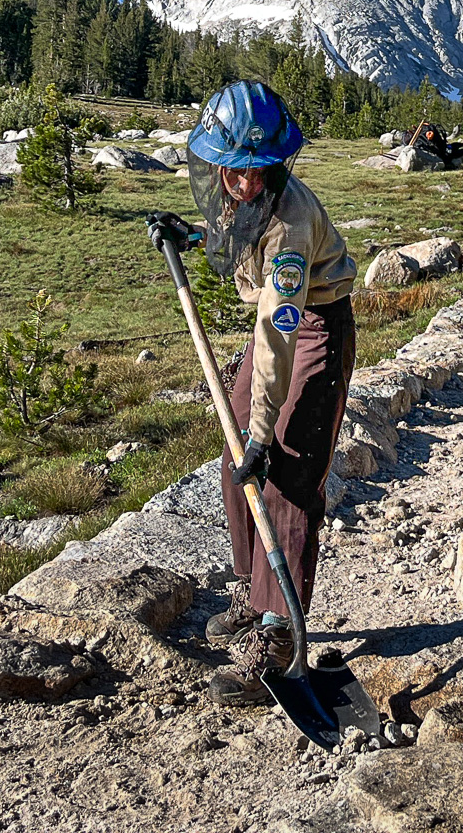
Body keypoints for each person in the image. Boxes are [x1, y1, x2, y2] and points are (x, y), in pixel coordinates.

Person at [184, 81, 357, 706]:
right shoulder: (241, 193)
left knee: (283, 468)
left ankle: (280, 637)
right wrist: (190, 236)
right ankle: (249, 592)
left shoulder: (293, 225)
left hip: (311, 328)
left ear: (276, 164)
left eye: (257, 172)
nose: (244, 185)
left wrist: (264, 427)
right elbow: (234, 235)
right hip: (274, 324)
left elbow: (279, 327)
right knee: (238, 458)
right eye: (233, 171)